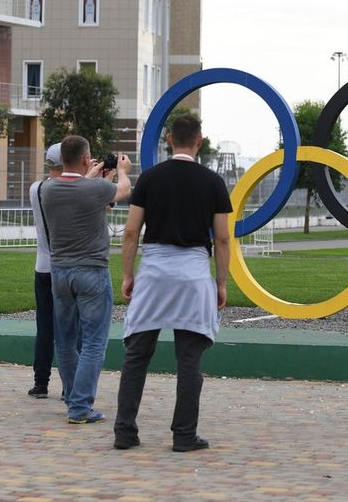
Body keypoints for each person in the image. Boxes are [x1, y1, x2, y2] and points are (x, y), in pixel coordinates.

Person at [114, 113, 232, 452]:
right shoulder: (213, 182)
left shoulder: (150, 178)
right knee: (189, 359)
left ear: (168, 140)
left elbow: (132, 231)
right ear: (199, 140)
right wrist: (220, 283)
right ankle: (183, 435)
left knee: (137, 354)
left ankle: (124, 431)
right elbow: (222, 239)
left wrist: (127, 274)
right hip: (194, 272)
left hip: (154, 269)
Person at [42, 136, 131, 424]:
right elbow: (123, 191)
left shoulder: (48, 190)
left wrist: (90, 175)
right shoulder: (96, 188)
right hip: (91, 271)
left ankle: (72, 397)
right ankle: (80, 407)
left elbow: (77, 191)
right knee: (94, 342)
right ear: (84, 159)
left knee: (66, 341)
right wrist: (123, 170)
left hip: (60, 273)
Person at [26, 143, 64, 399]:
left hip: (42, 266)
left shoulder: (35, 189)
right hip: (65, 266)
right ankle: (70, 385)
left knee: (45, 327)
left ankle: (41, 382)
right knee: (71, 329)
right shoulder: (69, 189)